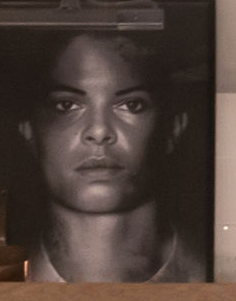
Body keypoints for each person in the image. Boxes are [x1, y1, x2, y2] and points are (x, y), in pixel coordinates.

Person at [13, 29, 205, 283]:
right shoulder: (8, 274)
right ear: (29, 132)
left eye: (131, 105)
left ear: (173, 128)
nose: (99, 131)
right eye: (66, 105)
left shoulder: (202, 272)